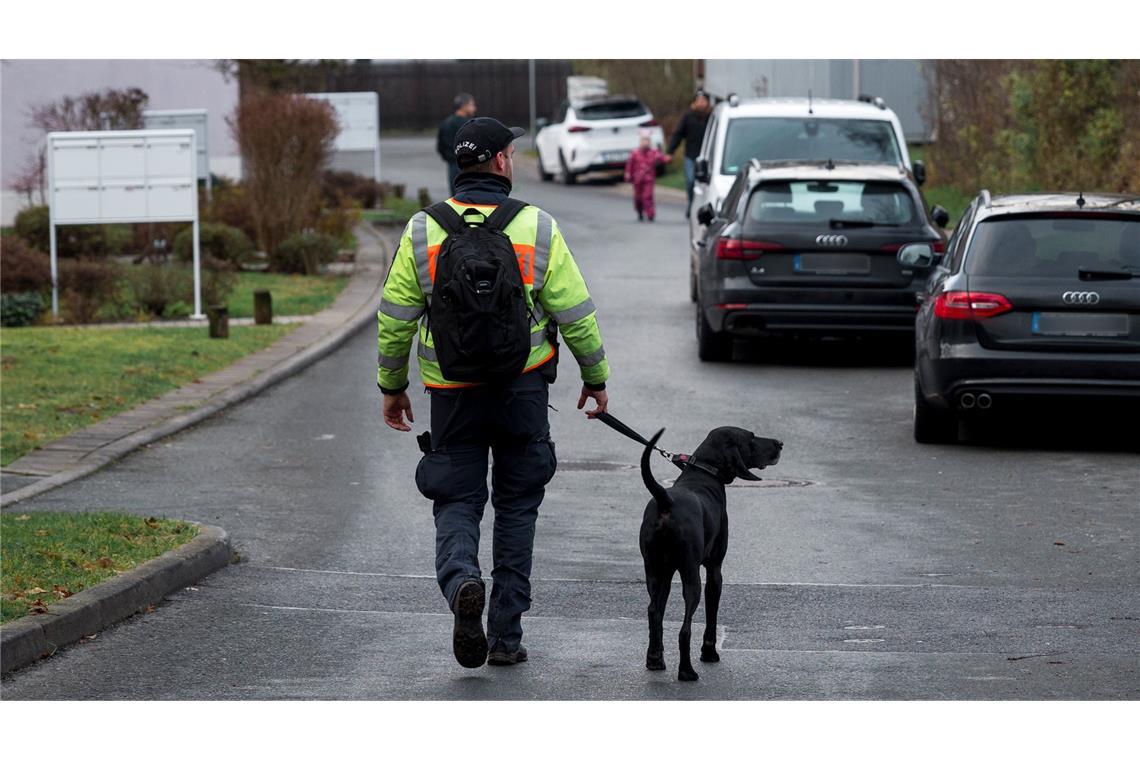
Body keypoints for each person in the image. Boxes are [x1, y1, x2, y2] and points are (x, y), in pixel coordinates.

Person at [377, 116, 611, 669]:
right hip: (521, 392)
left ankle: (462, 581)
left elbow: (394, 321)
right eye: (512, 152)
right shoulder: (537, 227)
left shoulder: (421, 231)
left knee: (456, 500)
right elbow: (576, 315)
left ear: (461, 164)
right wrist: (595, 379)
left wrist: (392, 387)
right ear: (501, 162)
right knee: (517, 507)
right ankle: (505, 636)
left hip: (452, 395)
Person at [666, 89, 712, 212]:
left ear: (708, 103)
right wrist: (670, 152)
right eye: (699, 101)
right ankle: (692, 205)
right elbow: (678, 134)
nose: (701, 103)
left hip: (708, 157)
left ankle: (704, 206)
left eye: (704, 101)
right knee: (691, 181)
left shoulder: (712, 117)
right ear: (694, 103)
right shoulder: (688, 117)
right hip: (691, 156)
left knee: (707, 184)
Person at [624, 128, 671, 222]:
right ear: (640, 141)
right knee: (638, 197)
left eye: (647, 140)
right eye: (643, 140)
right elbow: (630, 165)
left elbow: (661, 157)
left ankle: (650, 213)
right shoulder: (635, 153)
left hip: (649, 179)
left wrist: (666, 159)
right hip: (637, 179)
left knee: (647, 196)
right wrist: (628, 174)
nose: (645, 143)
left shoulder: (653, 152)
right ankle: (639, 211)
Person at [436, 93, 477, 194]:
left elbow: (440, 147)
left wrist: (450, 158)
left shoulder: (446, 123)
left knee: (456, 197)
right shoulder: (471, 124)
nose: (474, 108)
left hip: (453, 165)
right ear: (464, 106)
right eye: (472, 105)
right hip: (470, 166)